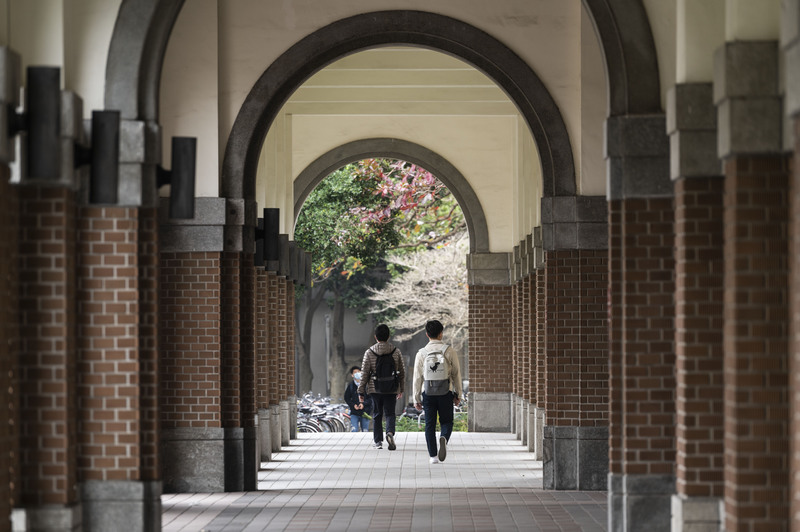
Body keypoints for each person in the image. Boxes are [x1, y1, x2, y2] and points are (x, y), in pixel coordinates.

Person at [413, 319, 463, 464]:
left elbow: (417, 377)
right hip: (445, 393)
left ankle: (433, 456)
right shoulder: (449, 351)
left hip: (428, 393)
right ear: (441, 334)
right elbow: (456, 374)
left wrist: (416, 398)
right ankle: (444, 438)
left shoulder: (421, 353)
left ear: (427, 334)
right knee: (447, 421)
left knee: (429, 424)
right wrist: (458, 394)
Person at [358, 323, 405, 450]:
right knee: (390, 413)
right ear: (388, 336)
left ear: (375, 337)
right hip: (391, 388)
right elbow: (401, 371)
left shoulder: (369, 352)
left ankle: (378, 441)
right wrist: (401, 389)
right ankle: (389, 432)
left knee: (377, 414)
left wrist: (361, 391)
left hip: (375, 388)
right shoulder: (396, 351)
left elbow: (364, 373)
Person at [344, 366, 371, 432]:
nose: (358, 374)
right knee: (354, 430)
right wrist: (353, 405)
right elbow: (347, 398)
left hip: (365, 412)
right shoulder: (350, 386)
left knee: (365, 431)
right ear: (352, 375)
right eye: (355, 372)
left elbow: (371, 399)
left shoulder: (367, 385)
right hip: (354, 412)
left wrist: (363, 404)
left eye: (359, 372)